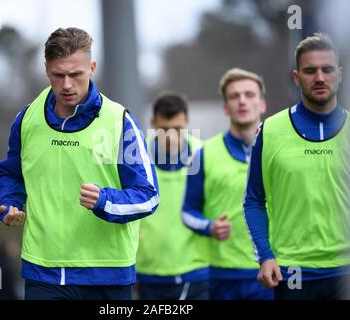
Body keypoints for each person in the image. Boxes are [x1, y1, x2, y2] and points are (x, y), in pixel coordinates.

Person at [0, 27, 159, 300]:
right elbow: (11, 174)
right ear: (46, 69)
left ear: (92, 67)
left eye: (76, 74)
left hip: (106, 274)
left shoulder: (120, 121)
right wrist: (10, 203)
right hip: (42, 271)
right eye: (59, 75)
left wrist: (105, 200)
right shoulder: (26, 120)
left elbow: (149, 196)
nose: (67, 85)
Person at [244, 32, 350, 300]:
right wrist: (265, 257)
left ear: (339, 74)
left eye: (327, 70)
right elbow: (253, 200)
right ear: (296, 77)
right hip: (293, 272)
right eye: (310, 70)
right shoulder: (269, 131)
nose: (320, 78)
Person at [182, 68, 273, 300]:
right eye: (234, 96)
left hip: (272, 270)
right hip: (222, 276)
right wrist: (209, 227)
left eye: (249, 95)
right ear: (225, 107)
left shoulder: (279, 152)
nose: (242, 101)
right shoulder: (202, 154)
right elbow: (187, 212)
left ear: (262, 104)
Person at [136, 93, 209, 300]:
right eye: (164, 129)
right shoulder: (138, 155)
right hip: (149, 271)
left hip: (196, 269)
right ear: (152, 123)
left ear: (186, 122)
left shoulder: (203, 152)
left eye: (177, 129)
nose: (170, 137)